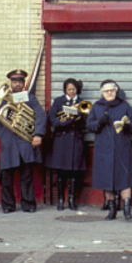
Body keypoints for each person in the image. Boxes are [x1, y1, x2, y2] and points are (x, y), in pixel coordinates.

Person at [0, 69, 46, 213]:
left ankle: (29, 204)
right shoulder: (6, 100)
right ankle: (8, 206)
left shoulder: (30, 98)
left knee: (26, 176)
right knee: (6, 177)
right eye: (14, 82)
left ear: (24, 84)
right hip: (10, 144)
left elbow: (41, 117)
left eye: (20, 82)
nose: (17, 84)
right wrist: (4, 138)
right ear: (11, 83)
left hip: (25, 143)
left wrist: (38, 134)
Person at [88, 80, 132, 220]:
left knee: (124, 178)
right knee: (106, 180)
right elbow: (89, 125)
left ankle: (127, 209)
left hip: (123, 147)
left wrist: (127, 125)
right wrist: (99, 122)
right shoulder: (97, 107)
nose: (109, 93)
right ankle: (112, 210)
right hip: (103, 149)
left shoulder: (124, 105)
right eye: (106, 91)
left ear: (116, 91)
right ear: (102, 92)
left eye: (112, 90)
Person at [48, 78, 88, 211]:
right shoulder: (58, 101)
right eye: (69, 89)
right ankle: (60, 200)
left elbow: (87, 122)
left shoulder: (82, 103)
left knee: (74, 172)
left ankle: (71, 200)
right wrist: (62, 123)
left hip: (76, 139)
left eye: (74, 89)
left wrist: (79, 117)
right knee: (61, 172)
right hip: (61, 140)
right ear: (65, 89)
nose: (71, 92)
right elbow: (52, 117)